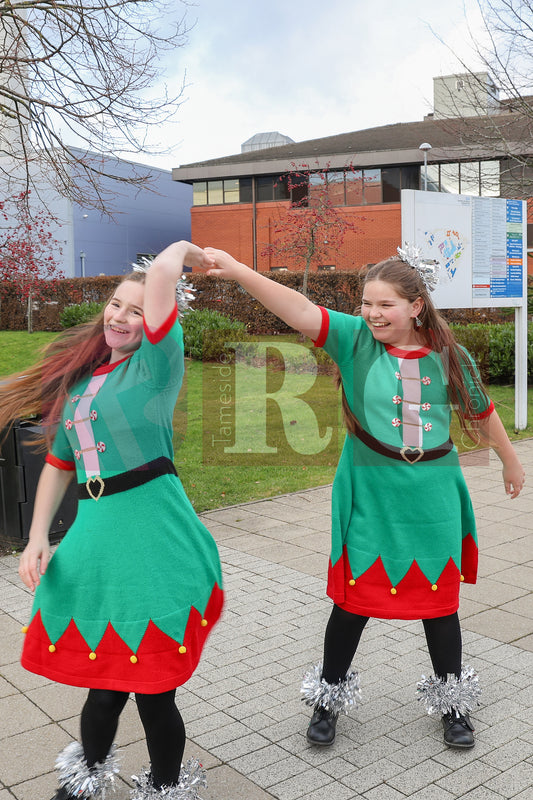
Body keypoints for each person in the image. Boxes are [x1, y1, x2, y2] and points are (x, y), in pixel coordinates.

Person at [203, 245, 524, 751]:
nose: (372, 314)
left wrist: (509, 458)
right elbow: (296, 306)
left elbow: (481, 412)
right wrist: (240, 270)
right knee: (352, 603)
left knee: (439, 606)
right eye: (366, 304)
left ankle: (453, 705)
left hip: (432, 492)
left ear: (416, 306)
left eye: (385, 305)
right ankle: (326, 699)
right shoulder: (355, 342)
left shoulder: (451, 354)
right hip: (370, 490)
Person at [5, 242, 224, 799]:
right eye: (114, 305)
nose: (120, 316)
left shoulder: (157, 365)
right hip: (97, 535)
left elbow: (162, 284)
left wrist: (182, 250)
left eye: (135, 308)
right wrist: (35, 541)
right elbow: (59, 464)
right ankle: (86, 779)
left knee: (153, 691)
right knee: (103, 687)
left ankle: (166, 789)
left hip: (152, 533)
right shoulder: (84, 384)